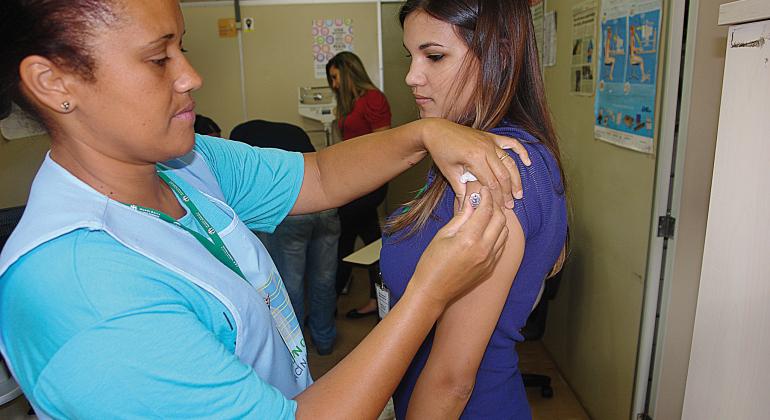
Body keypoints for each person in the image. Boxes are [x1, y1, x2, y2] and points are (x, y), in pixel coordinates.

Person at [0, 0, 531, 418]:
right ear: (55, 83)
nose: (191, 76)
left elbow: (318, 175)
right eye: (159, 58)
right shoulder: (84, 295)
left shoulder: (182, 162)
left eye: (182, 48)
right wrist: (428, 294)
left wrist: (424, 133)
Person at [380, 1, 569, 419]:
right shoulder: (465, 151)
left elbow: (451, 381)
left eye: (434, 56)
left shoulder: (492, 171)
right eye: (410, 56)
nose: (412, 76)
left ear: (497, 55)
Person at [230, 120, 340, 356]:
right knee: (324, 277)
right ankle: (324, 338)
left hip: (291, 210)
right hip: (326, 208)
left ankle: (294, 346)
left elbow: (245, 186)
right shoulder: (294, 131)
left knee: (291, 283)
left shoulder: (240, 141)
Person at [325, 51, 389, 319]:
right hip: (355, 182)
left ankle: (326, 308)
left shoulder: (373, 99)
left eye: (335, 78)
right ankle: (379, 301)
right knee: (372, 241)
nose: (334, 85)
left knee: (344, 240)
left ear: (348, 72)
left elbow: (384, 144)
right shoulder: (349, 103)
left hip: (369, 183)